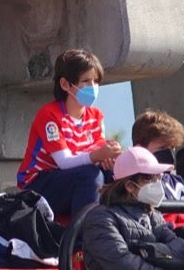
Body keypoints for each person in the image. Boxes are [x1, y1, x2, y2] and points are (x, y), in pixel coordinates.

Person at [15, 48, 117, 222]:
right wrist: (96, 156)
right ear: (65, 84)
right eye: (85, 81)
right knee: (90, 176)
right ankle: (79, 242)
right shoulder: (49, 115)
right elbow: (64, 162)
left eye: (96, 81)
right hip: (37, 184)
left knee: (117, 174)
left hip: (73, 177)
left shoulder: (96, 116)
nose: (92, 87)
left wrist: (110, 157)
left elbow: (97, 150)